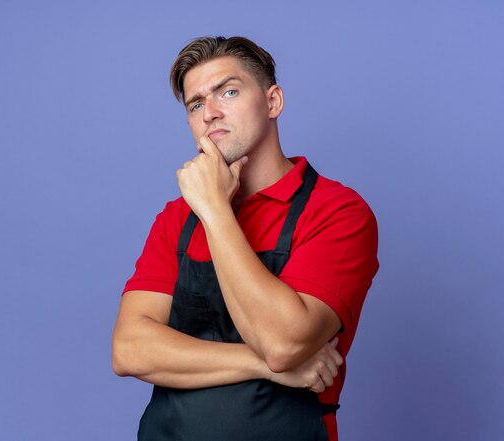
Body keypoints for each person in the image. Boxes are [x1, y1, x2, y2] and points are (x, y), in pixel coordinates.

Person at [112, 36, 379, 441]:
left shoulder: (337, 211)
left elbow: (282, 344)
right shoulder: (176, 219)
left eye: (229, 92)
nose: (210, 113)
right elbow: (130, 349)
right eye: (196, 104)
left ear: (273, 102)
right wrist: (259, 365)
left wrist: (216, 210)